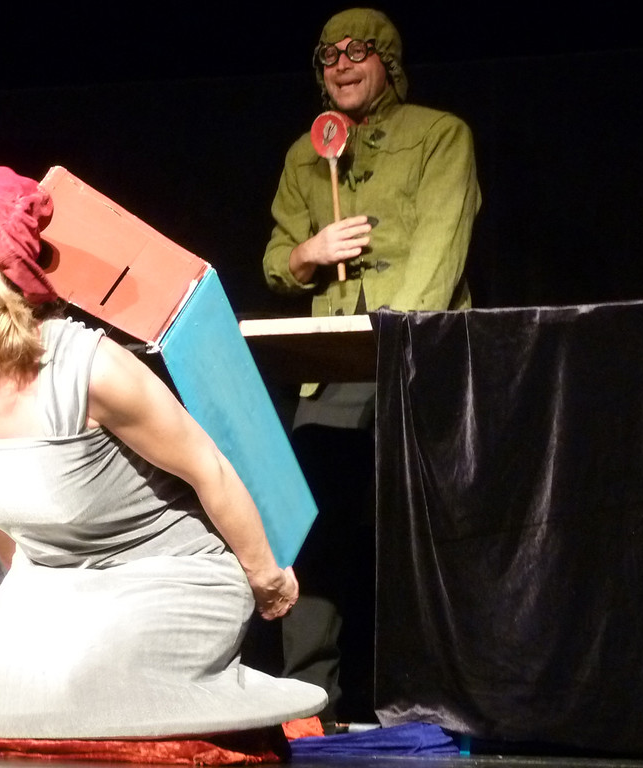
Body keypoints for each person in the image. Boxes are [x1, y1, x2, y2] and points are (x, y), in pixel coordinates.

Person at [0, 166, 327, 738]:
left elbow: (208, 466)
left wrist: (265, 574)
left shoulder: (87, 368)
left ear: (0, 265)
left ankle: (264, 705)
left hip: (170, 574)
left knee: (82, 685)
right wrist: (25, 608)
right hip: (61, 582)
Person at [262, 8, 481, 728]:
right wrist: (310, 253)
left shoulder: (439, 135)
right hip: (330, 367)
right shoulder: (305, 153)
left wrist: (397, 340)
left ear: (387, 58)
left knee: (421, 531)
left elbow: (440, 250)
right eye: (328, 55)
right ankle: (307, 700)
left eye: (358, 51)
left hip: (417, 359)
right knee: (313, 529)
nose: (342, 65)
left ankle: (433, 701)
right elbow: (276, 259)